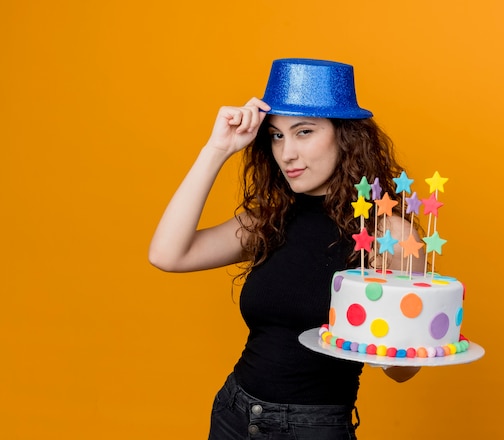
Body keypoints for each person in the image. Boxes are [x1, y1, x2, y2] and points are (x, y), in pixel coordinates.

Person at [149, 58, 424, 440]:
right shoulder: (271, 219)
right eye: (276, 135)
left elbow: (402, 372)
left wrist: (392, 312)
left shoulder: (388, 234)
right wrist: (217, 148)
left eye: (304, 132)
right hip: (234, 414)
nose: (286, 153)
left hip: (312, 429)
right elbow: (167, 255)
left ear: (345, 136)